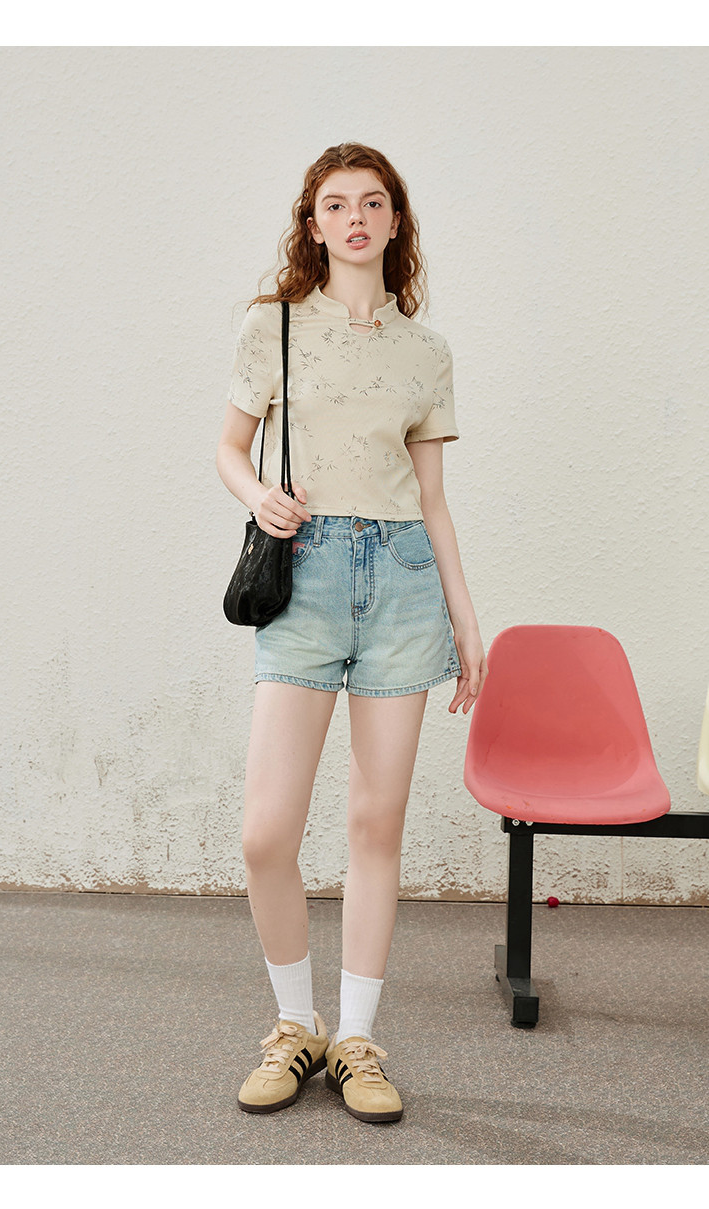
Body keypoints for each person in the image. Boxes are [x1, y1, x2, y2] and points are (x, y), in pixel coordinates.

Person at [216, 142, 487, 1124]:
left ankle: (358, 1039)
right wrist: (258, 496)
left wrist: (465, 619)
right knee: (265, 832)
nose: (356, 218)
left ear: (394, 220)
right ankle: (296, 1025)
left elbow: (434, 499)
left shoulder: (427, 350)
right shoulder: (275, 325)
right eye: (336, 205)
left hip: (404, 581)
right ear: (314, 223)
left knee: (376, 825)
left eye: (373, 203)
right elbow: (230, 447)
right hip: (306, 578)